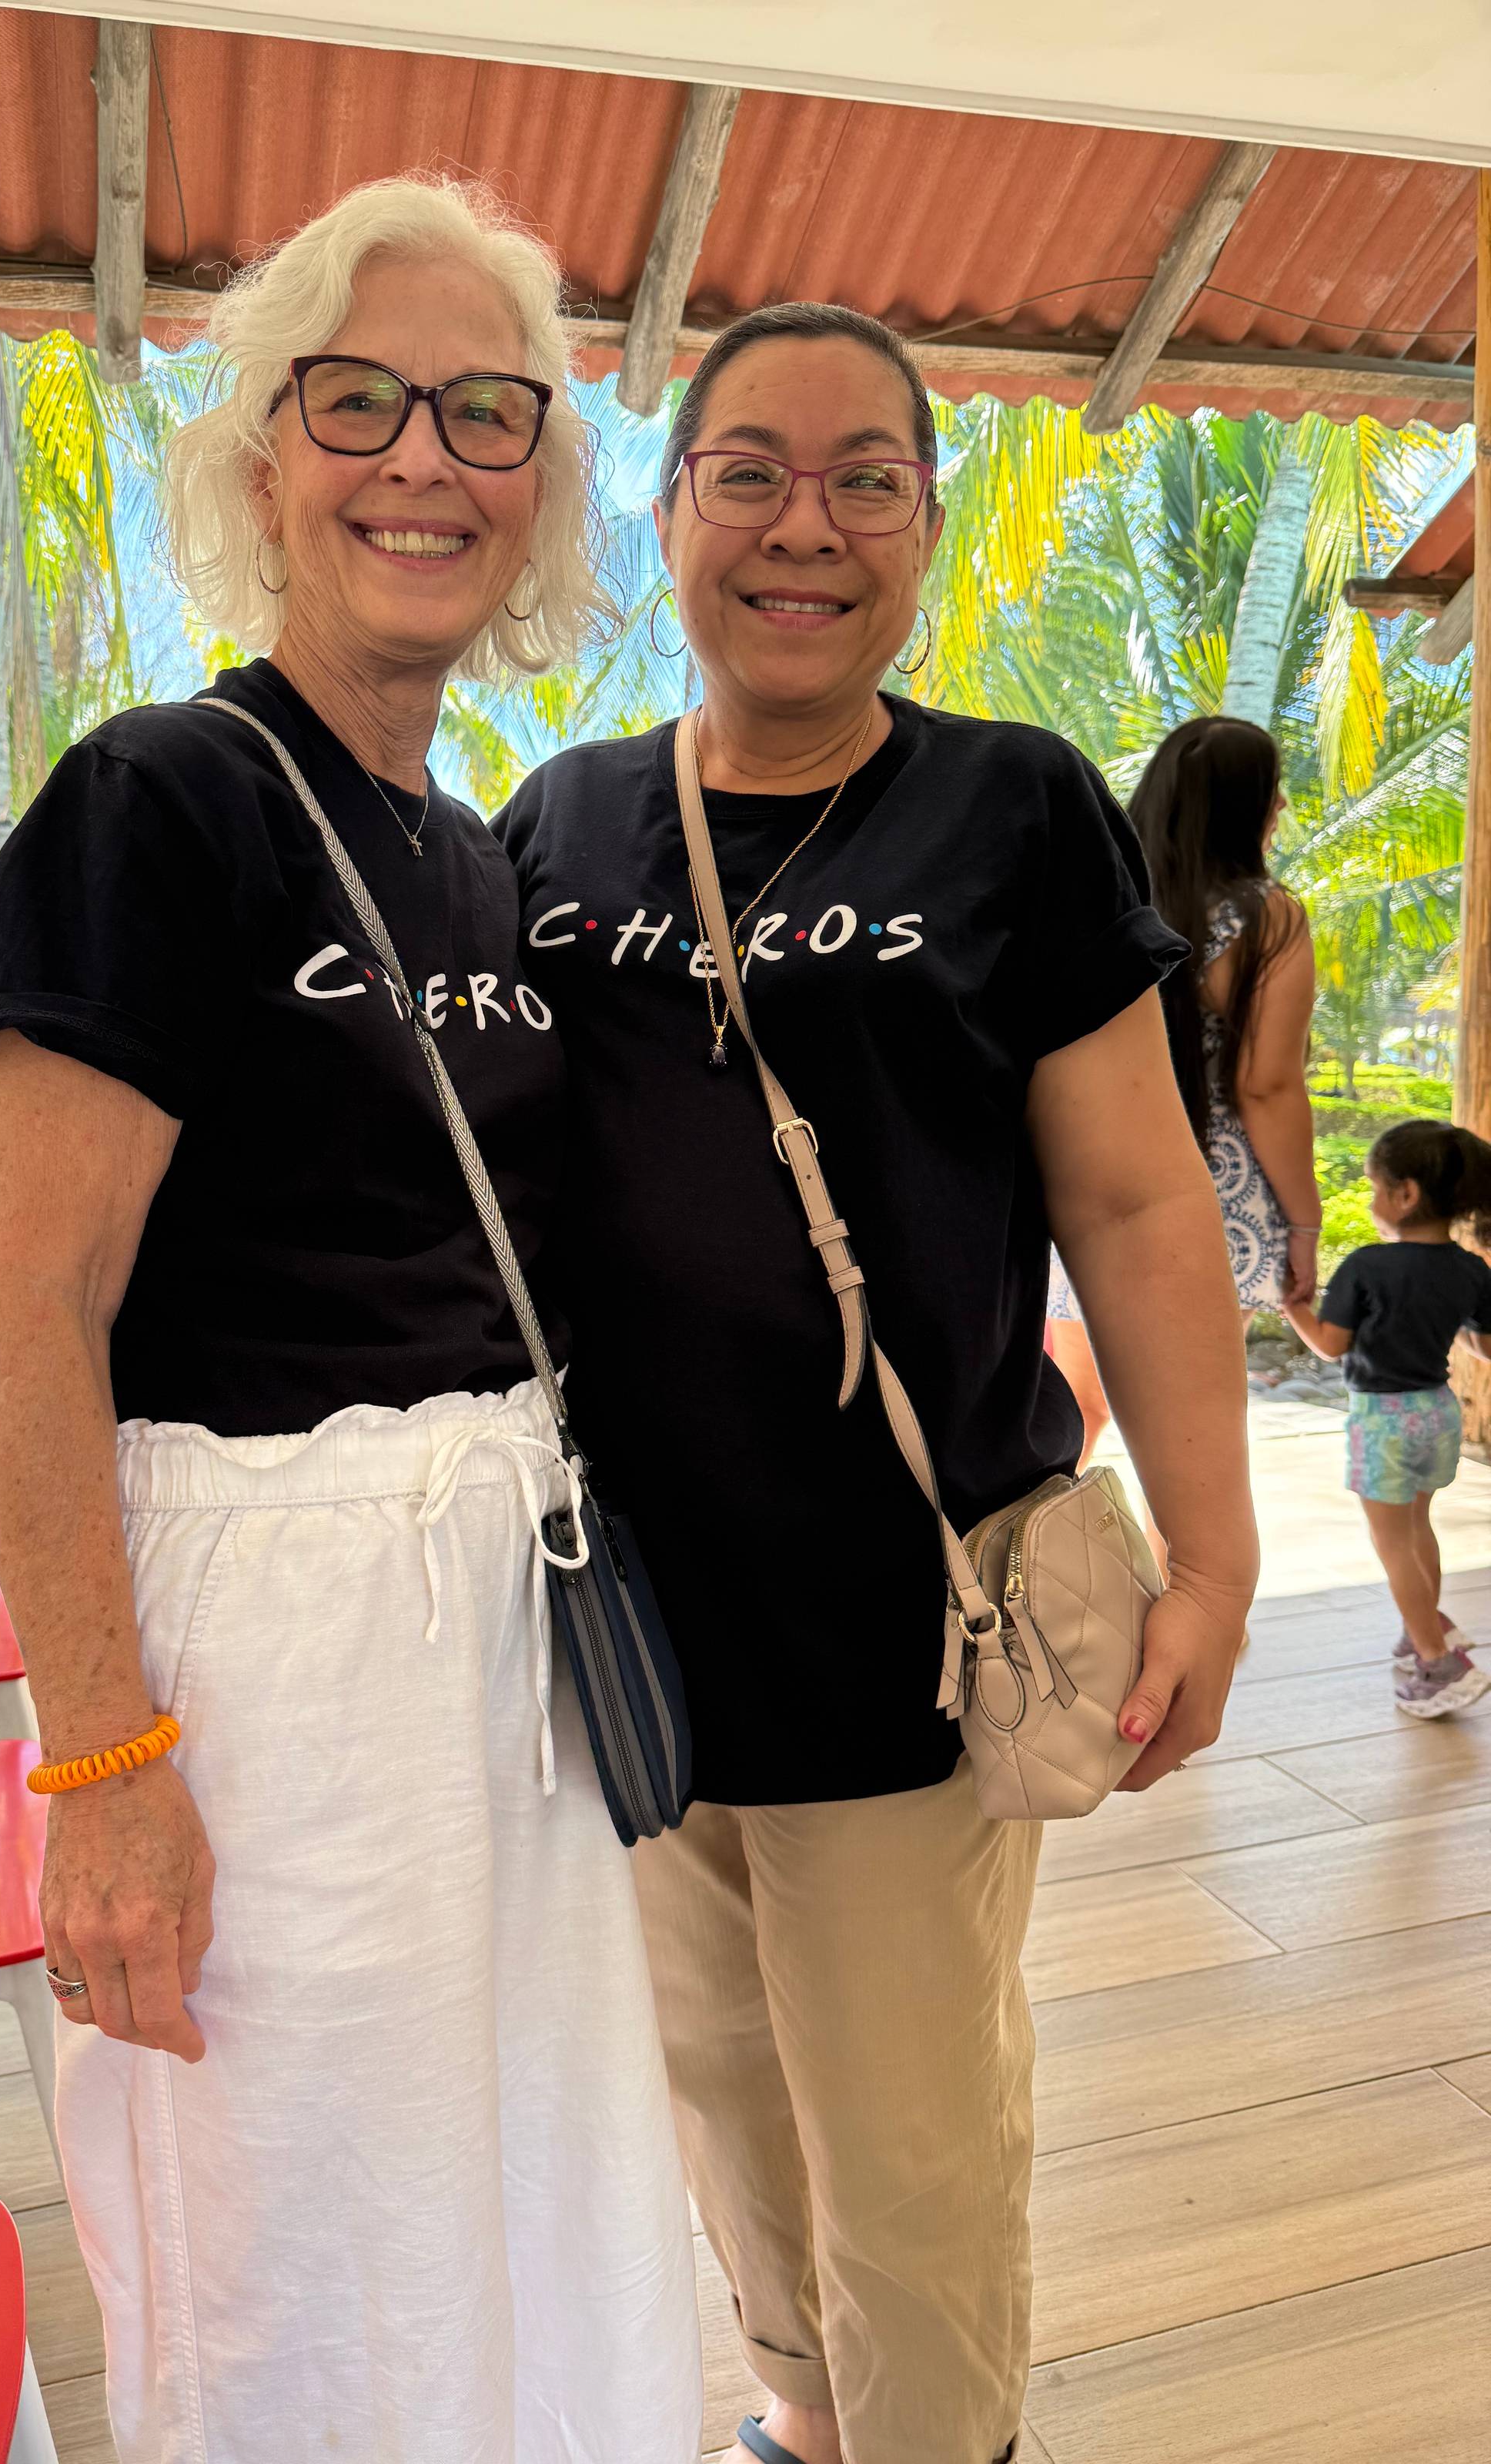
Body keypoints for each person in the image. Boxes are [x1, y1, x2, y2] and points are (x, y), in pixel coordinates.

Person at [0, 177, 700, 2464]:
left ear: (543, 482)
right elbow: (30, 1304)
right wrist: (102, 1765)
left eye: (487, 413)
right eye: (357, 402)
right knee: (298, 2238)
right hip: (265, 1666)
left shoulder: (466, 848)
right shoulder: (161, 800)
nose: (422, 461)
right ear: (261, 457)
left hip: (490, 1658)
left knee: (512, 2203)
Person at [498, 302, 1259, 2464]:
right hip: (632, 1635)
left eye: (864, 480)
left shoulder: (1007, 807)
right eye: (746, 472)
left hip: (908, 1635)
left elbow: (1133, 1205)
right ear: (669, 516)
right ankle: (804, 2422)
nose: (802, 526)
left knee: (907, 2152)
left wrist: (1215, 1562)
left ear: (926, 523)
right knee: (720, 2092)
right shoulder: (562, 823)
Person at [1045, 715, 1322, 1459]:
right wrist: (1304, 1226)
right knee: (1191, 1444)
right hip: (1208, 1193)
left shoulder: (1098, 899)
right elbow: (1266, 1088)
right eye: (1271, 790)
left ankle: (1030, 1543)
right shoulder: (1265, 916)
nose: (1282, 806)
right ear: (1239, 805)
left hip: (1084, 1179)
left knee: (1076, 1413)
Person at [1281, 1120, 1491, 1717]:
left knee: (1392, 1543)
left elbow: (1330, 1345)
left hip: (1383, 1422)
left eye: (1375, 1187)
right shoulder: (1471, 1268)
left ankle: (1438, 1661)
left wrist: (1292, 1305)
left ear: (1406, 1195)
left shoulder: (1368, 1266)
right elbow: (1483, 1346)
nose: (1372, 1199)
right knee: (1419, 1527)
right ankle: (1422, 1627)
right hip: (1437, 1413)